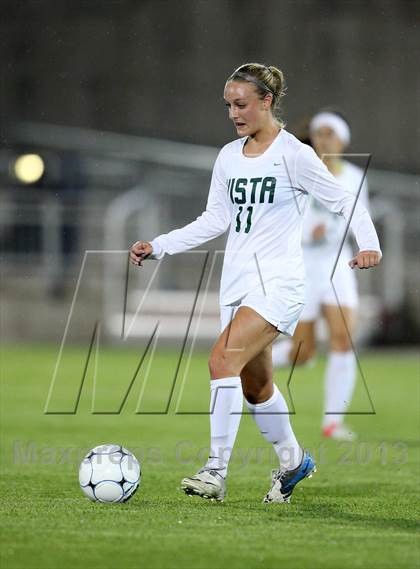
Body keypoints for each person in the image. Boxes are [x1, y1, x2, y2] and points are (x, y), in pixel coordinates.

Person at [129, 63, 382, 503]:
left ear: (266, 101)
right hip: (238, 286)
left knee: (220, 361)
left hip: (279, 285)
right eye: (228, 105)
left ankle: (214, 471)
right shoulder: (228, 156)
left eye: (241, 103)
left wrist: (370, 244)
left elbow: (347, 200)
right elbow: (216, 219)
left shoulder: (294, 155)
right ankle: (293, 462)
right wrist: (160, 244)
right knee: (256, 388)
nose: (233, 113)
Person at [272, 109, 370, 441]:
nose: (323, 139)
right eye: (318, 133)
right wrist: (304, 234)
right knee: (304, 353)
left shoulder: (355, 177)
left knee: (344, 341)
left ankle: (333, 422)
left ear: (342, 140)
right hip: (303, 266)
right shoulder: (299, 169)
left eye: (330, 133)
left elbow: (358, 217)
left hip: (339, 264)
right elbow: (281, 220)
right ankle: (255, 360)